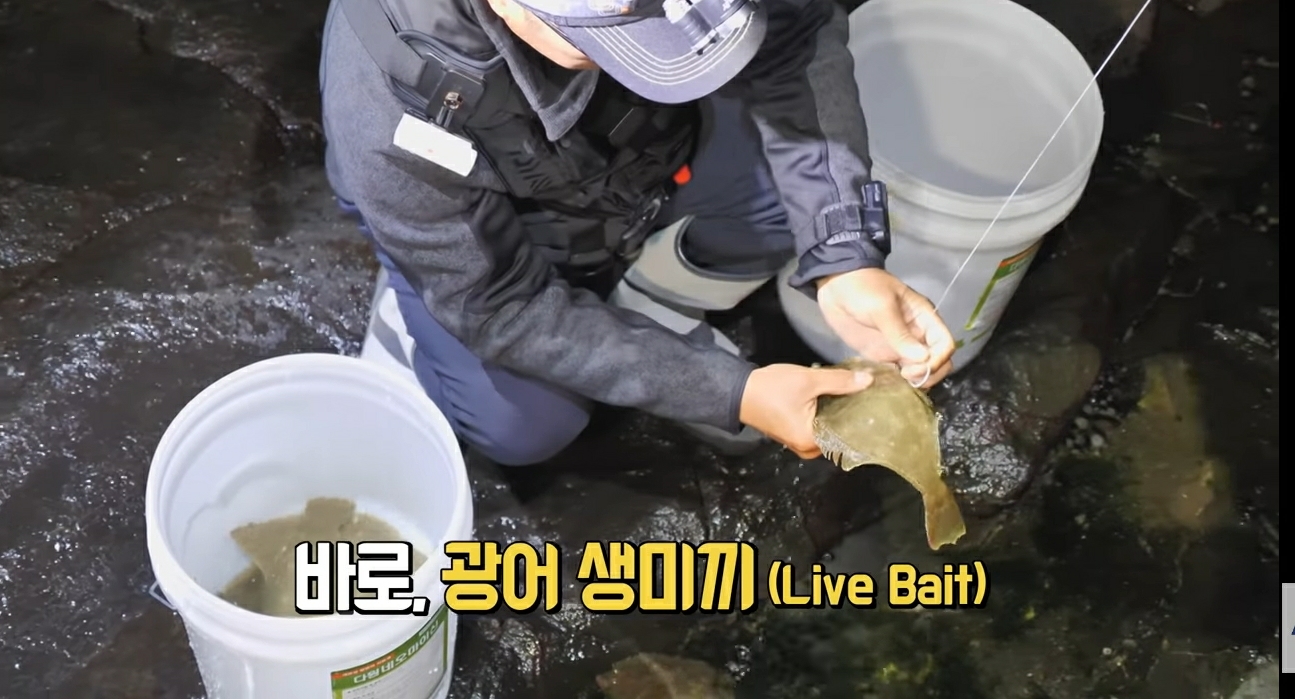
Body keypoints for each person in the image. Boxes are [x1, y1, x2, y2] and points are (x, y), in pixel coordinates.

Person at [318, 0, 956, 466]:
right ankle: (410, 301)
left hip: (642, 157)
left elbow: (794, 34)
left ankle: (645, 304)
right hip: (486, 234)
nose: (675, 50)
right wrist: (732, 392)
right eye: (625, 38)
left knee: (793, 204)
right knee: (525, 426)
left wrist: (845, 254)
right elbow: (501, 308)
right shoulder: (386, 98)